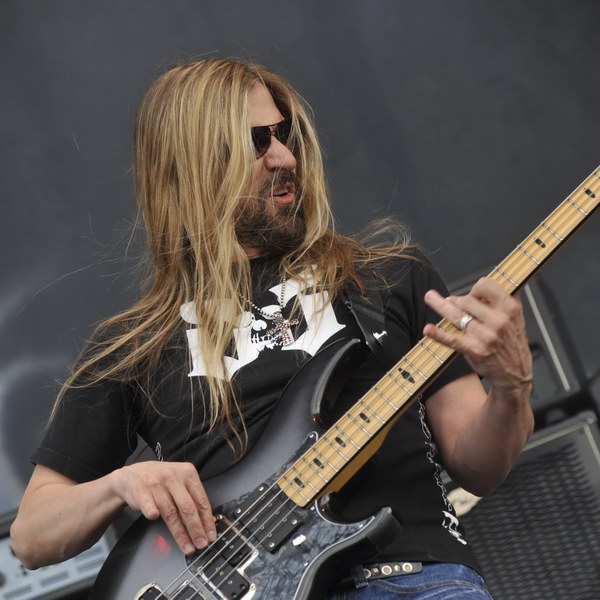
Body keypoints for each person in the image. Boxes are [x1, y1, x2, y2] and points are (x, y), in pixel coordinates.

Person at [10, 58, 533, 599]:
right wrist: (121, 483)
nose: (285, 157)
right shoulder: (133, 346)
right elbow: (32, 536)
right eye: (256, 142)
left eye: (285, 136)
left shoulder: (388, 277)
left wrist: (512, 388)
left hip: (410, 579)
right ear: (192, 164)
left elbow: (480, 468)